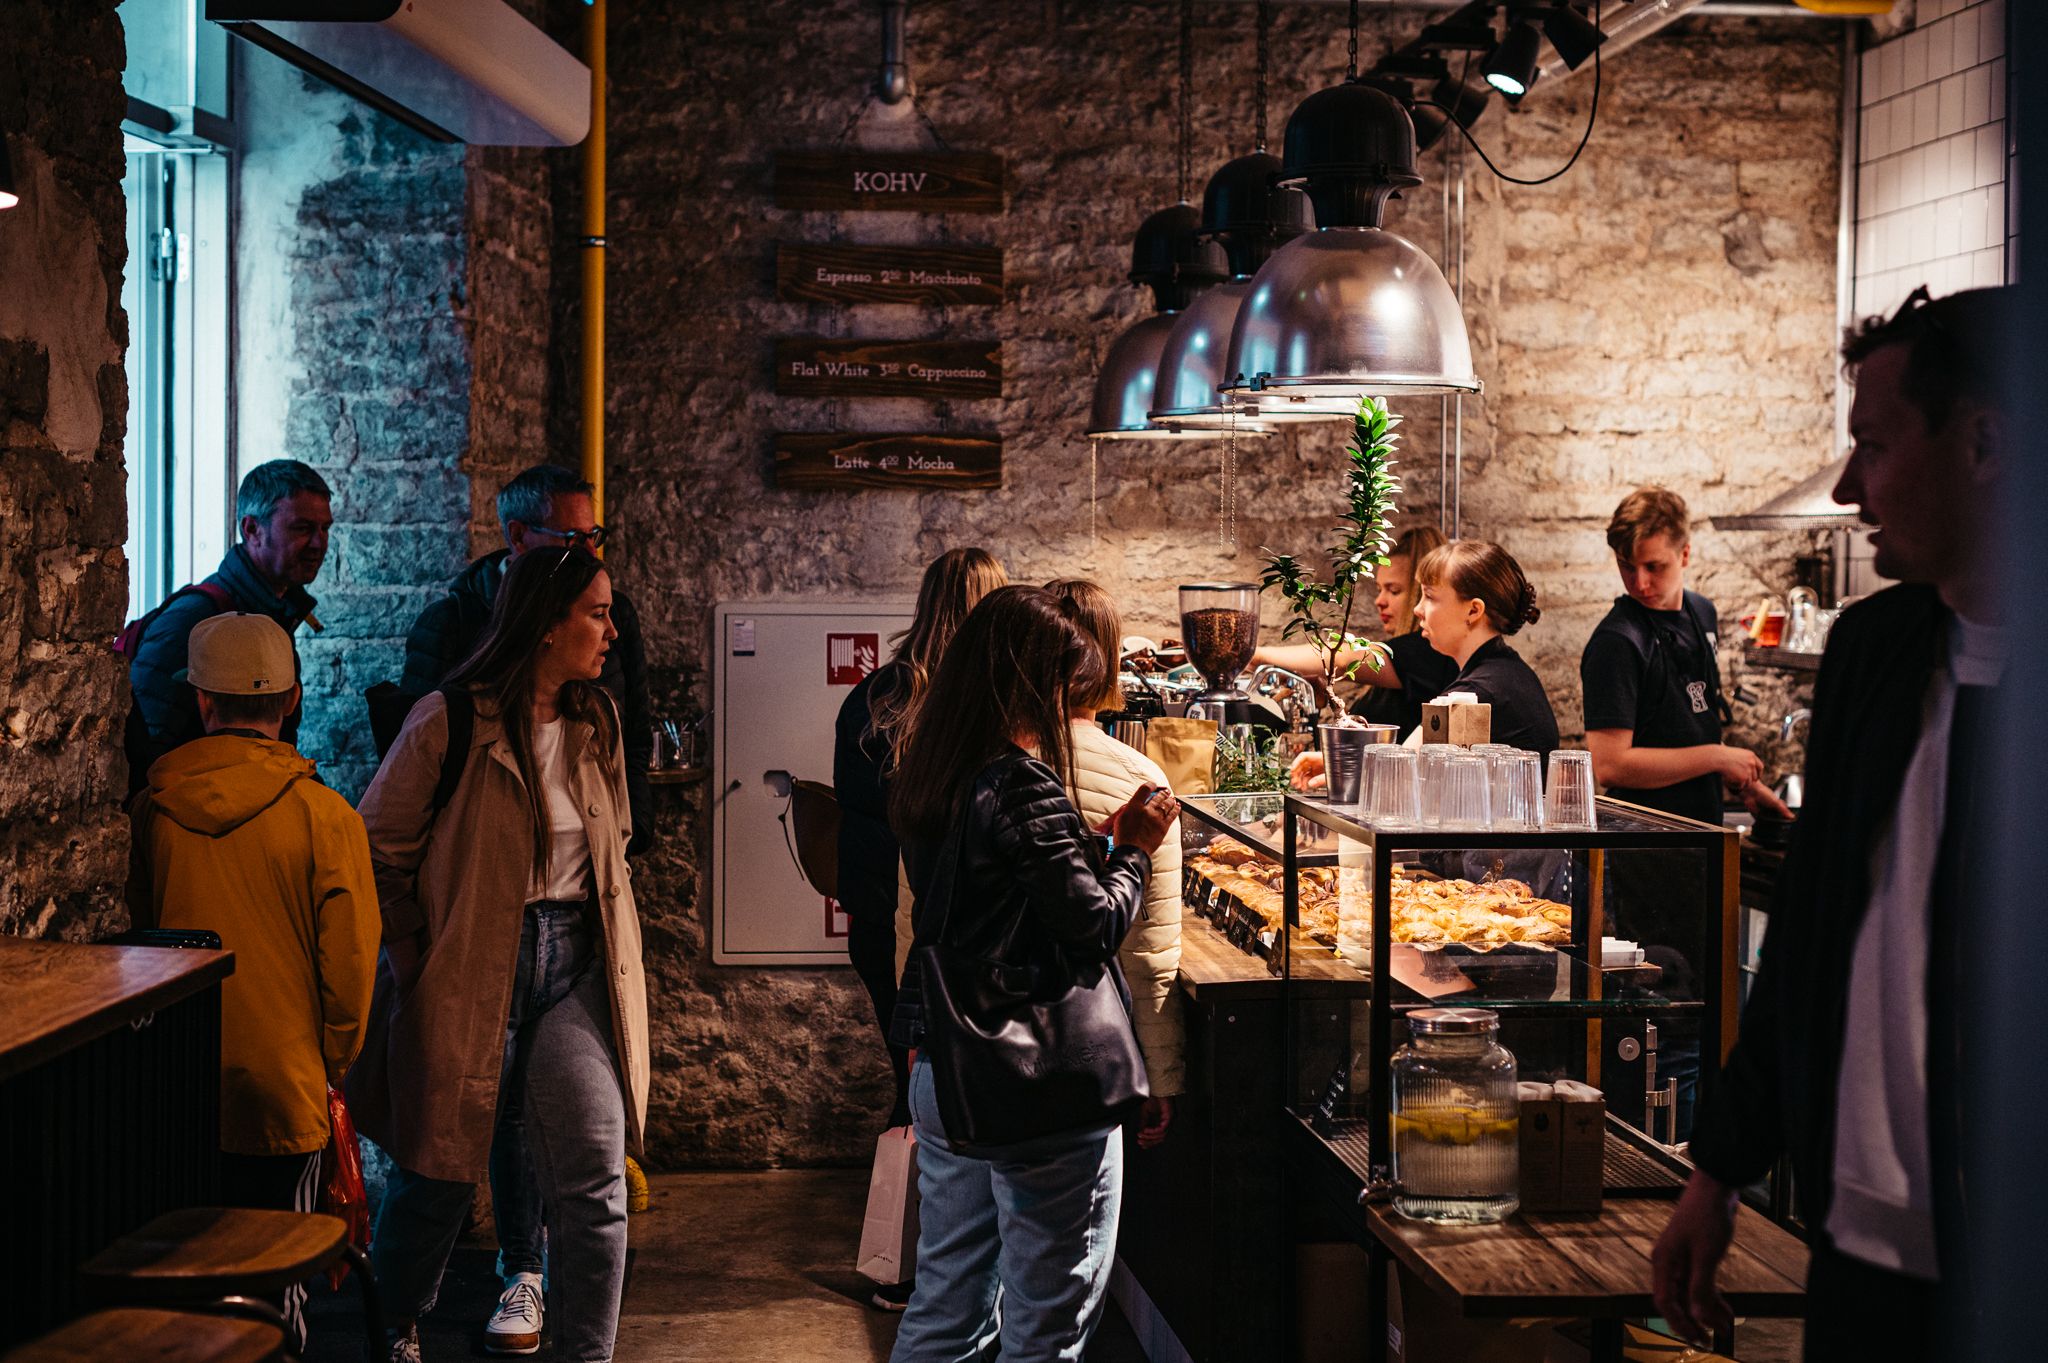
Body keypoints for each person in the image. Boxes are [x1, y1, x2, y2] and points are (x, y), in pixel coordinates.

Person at [1652, 285, 2014, 1362]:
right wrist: (1717, 1169)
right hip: (1852, 1246)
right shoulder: (1874, 651)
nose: (1850, 486)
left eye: (1873, 443)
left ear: (1984, 441)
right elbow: (1811, 944)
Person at [349, 547, 649, 1363]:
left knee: (595, 1173)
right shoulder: (450, 719)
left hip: (574, 967)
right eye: (596, 612)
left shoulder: (598, 722)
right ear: (546, 625)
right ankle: (396, 1321)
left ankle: (585, 1352)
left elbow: (614, 840)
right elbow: (375, 850)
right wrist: (414, 959)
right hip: (476, 960)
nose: (611, 630)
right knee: (438, 1180)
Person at [885, 586, 1179, 1363]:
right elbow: (1093, 927)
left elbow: (993, 897)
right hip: (1036, 1082)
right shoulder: (1020, 779)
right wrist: (1138, 848)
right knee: (1045, 1327)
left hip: (953, 1066)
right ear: (1033, 682)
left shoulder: (936, 771)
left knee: (946, 1306)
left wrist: (1094, 847)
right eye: (1061, 681)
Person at [127, 612, 379, 1352]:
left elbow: (141, 933)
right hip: (279, 1088)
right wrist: (329, 1061)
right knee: (277, 1290)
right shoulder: (326, 818)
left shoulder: (152, 811)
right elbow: (352, 971)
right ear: (294, 699)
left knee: (189, 1276)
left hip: (173, 1086)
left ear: (203, 702)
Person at [833, 546, 1006, 1312]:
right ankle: (931, 1274)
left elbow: (853, 806)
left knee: (913, 1090)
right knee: (944, 1101)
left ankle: (911, 1269)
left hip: (880, 920)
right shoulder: (988, 705)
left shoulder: (877, 696)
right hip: (944, 929)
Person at [399, 462, 653, 855]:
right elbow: (414, 758)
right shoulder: (453, 623)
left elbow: (633, 731)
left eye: (593, 536)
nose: (589, 553)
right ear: (518, 536)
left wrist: (630, 832)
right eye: (572, 539)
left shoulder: (614, 612)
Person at [1046, 578, 1183, 1150]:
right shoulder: (1137, 781)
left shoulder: (968, 767)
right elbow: (1148, 949)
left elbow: (920, 910)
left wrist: (917, 1029)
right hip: (1088, 1053)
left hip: (974, 1047)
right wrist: (1159, 1076)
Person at [1581, 488, 1787, 824]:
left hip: (1701, 828)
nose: (1640, 582)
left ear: (1685, 554)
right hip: (1641, 841)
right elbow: (1611, 766)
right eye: (1626, 566)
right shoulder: (1616, 641)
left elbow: (1689, 725)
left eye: (1654, 566)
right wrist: (1716, 757)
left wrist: (1742, 785)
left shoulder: (1703, 612)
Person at [126, 459, 331, 788]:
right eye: (302, 528)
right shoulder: (192, 621)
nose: (320, 544)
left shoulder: (275, 612)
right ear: (252, 530)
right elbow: (145, 752)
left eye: (325, 529)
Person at [1251, 524, 1457, 738]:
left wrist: (1256, 655)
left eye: (1394, 591)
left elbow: (1344, 657)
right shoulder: (1397, 671)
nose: (1380, 601)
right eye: (1379, 590)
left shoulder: (1429, 654)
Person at [1412, 540, 1560, 761]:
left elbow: (1401, 770)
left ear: (1473, 610)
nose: (1417, 609)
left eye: (1430, 596)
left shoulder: (1477, 693)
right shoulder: (1507, 670)